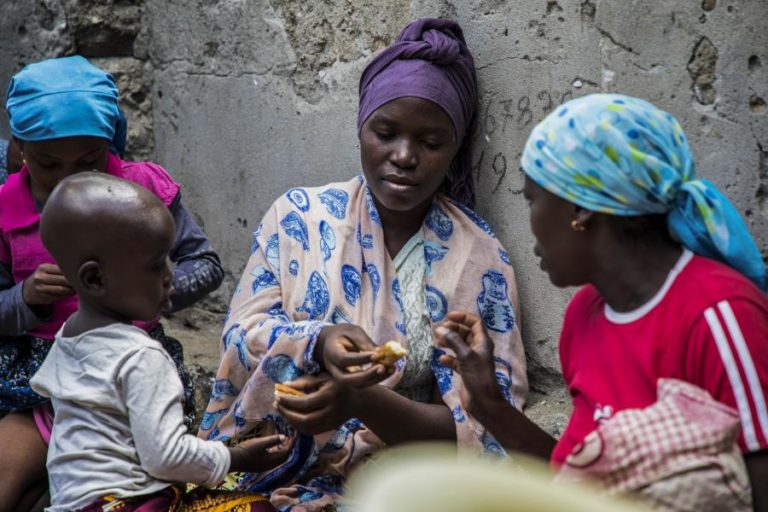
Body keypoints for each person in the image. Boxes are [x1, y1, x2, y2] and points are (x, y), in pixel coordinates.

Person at [200, 18, 528, 511]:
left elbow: (481, 428)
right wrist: (317, 341)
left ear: (456, 148)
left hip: (403, 485)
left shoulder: (479, 258)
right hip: (275, 464)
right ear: (361, 128)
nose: (404, 156)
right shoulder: (298, 220)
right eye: (386, 132)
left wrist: (363, 401)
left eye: (431, 142)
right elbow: (238, 339)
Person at [434, 94, 768, 510]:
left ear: (580, 210)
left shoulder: (719, 315)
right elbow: (581, 485)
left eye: (533, 199)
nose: (531, 221)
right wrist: (488, 404)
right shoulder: (585, 314)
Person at [0, 56, 225, 511]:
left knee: (148, 481)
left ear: (110, 142)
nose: (71, 179)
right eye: (48, 164)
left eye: (90, 161)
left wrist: (144, 291)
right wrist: (26, 298)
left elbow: (206, 265)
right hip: (41, 381)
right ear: (20, 150)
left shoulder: (141, 195)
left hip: (128, 374)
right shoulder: (5, 209)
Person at [29, 173, 289, 511]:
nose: (170, 275)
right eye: (155, 266)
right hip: (125, 504)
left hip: (73, 504)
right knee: (257, 507)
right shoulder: (141, 356)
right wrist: (235, 457)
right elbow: (165, 458)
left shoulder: (70, 335)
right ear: (95, 278)